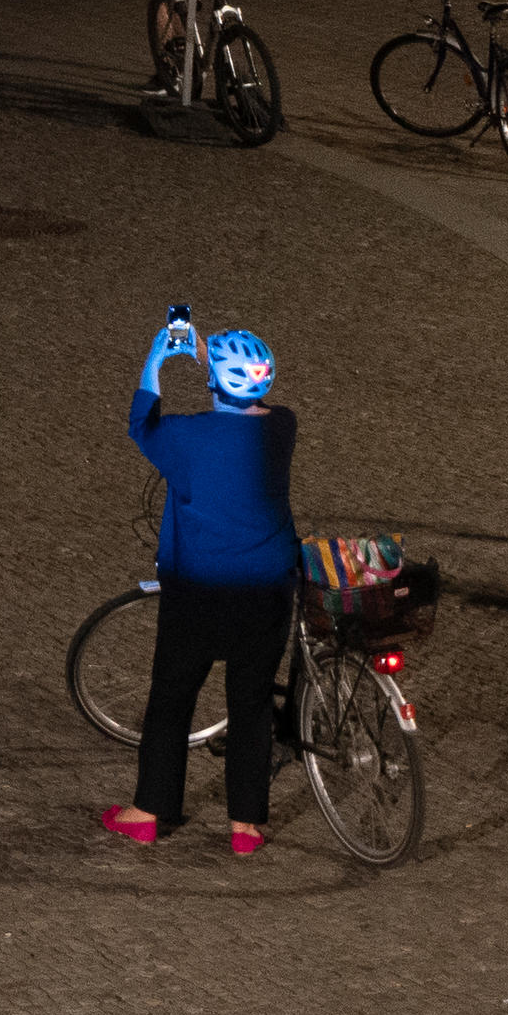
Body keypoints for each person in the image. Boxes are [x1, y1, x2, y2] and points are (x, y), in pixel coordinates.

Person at [103, 313, 300, 857]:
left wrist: (159, 357)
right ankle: (245, 827)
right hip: (266, 590)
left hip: (198, 590)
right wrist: (214, 357)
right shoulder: (282, 427)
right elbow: (248, 405)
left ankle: (148, 811)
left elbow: (142, 423)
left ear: (213, 382)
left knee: (171, 698)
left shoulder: (186, 437)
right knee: (252, 701)